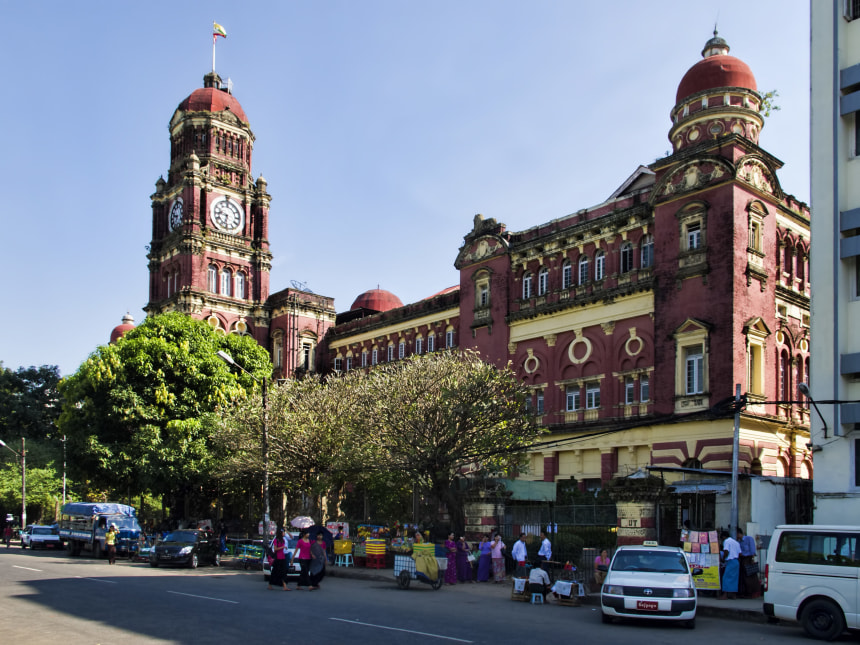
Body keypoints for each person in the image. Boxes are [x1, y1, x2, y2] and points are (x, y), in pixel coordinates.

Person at [737, 527, 761, 598]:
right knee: (743, 577)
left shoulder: (748, 539)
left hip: (748, 558)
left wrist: (751, 558)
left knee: (750, 576)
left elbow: (752, 550)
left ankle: (753, 592)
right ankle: (745, 592)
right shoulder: (738, 542)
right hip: (742, 559)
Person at [720, 530, 741, 600]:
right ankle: (733, 595)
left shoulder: (727, 541)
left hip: (730, 560)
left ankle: (725, 595)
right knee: (734, 578)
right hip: (736, 561)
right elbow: (740, 553)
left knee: (725, 577)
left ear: (724, 537)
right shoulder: (736, 542)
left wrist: (723, 559)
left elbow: (726, 551)